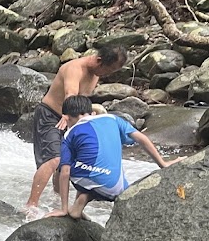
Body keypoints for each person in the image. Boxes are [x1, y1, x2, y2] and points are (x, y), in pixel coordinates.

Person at [24, 44, 127, 218]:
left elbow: (82, 100)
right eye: (108, 70)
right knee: (54, 160)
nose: (107, 75)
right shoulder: (74, 68)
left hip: (72, 118)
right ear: (99, 61)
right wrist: (69, 114)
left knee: (67, 162)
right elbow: (71, 94)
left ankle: (58, 199)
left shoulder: (95, 73)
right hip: (51, 115)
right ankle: (31, 205)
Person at [45, 94, 178, 220]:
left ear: (66, 118)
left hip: (92, 182)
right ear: (92, 113)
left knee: (63, 165)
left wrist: (63, 209)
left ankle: (79, 202)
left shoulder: (70, 134)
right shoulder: (113, 119)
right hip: (118, 191)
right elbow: (142, 138)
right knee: (95, 163)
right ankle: (81, 203)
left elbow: (65, 172)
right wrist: (163, 164)